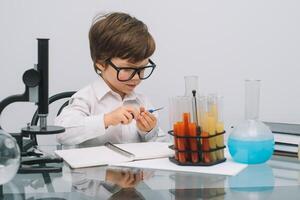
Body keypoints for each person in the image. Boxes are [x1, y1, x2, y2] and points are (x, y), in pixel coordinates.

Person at [55, 12, 164, 146]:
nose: (136, 77)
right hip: (95, 167)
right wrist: (106, 120)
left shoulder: (142, 102)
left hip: (133, 167)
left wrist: (148, 131)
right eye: (127, 69)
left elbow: (162, 144)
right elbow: (61, 133)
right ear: (101, 63)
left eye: (142, 69)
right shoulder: (86, 98)